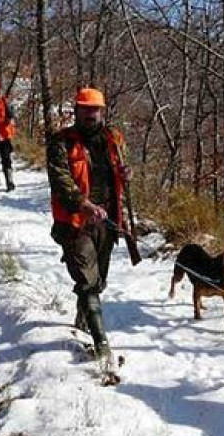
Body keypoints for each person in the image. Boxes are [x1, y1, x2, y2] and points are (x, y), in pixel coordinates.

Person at [47, 87, 130, 366]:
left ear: (102, 111)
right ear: (77, 110)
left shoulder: (114, 139)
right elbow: (61, 182)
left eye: (94, 109)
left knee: (99, 281)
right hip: (76, 223)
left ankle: (82, 321)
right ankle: (102, 345)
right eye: (85, 109)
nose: (90, 114)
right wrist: (84, 205)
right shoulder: (61, 142)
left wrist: (125, 174)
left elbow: (119, 169)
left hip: (107, 221)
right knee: (88, 281)